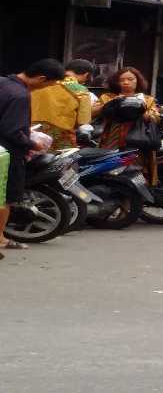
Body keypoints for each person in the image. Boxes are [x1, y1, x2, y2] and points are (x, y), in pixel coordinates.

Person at [0, 59, 65, 254]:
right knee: (5, 197)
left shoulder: (3, 83)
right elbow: (12, 131)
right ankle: (0, 239)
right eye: (48, 84)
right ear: (41, 78)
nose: (45, 88)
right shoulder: (20, 95)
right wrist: (33, 143)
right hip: (7, 153)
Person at [93, 67, 161, 185]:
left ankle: (135, 197)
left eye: (130, 79)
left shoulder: (147, 100)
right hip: (112, 141)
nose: (126, 82)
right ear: (117, 82)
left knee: (136, 172)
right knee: (110, 170)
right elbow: (92, 112)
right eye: (122, 80)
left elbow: (156, 117)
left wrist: (141, 109)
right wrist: (113, 102)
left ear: (137, 81)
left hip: (138, 142)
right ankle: (112, 198)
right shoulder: (107, 97)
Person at [29, 59, 94, 149]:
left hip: (32, 136)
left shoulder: (42, 83)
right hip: (61, 141)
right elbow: (83, 122)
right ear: (86, 75)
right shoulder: (81, 91)